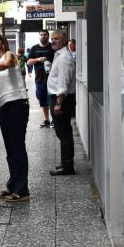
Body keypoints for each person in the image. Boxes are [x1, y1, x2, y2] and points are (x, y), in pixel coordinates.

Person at [0, 34, 30, 202]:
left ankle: (22, 190)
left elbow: (5, 65)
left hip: (18, 104)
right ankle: (13, 185)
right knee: (10, 149)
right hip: (5, 105)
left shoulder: (9, 55)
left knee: (17, 147)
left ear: (3, 43)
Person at [47, 30, 77, 176]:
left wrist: (58, 103)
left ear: (64, 41)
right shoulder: (59, 55)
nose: (53, 41)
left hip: (62, 100)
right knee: (63, 133)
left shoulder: (64, 57)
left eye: (56, 39)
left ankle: (68, 166)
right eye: (52, 38)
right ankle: (65, 163)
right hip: (60, 99)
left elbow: (63, 83)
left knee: (64, 133)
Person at [27, 30, 55, 128]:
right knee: (42, 99)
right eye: (41, 35)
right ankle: (46, 120)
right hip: (39, 79)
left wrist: (51, 64)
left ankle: (54, 120)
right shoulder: (34, 48)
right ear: (39, 36)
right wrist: (38, 59)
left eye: (45, 35)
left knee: (52, 99)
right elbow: (29, 62)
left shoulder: (52, 47)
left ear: (48, 36)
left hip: (52, 79)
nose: (43, 36)